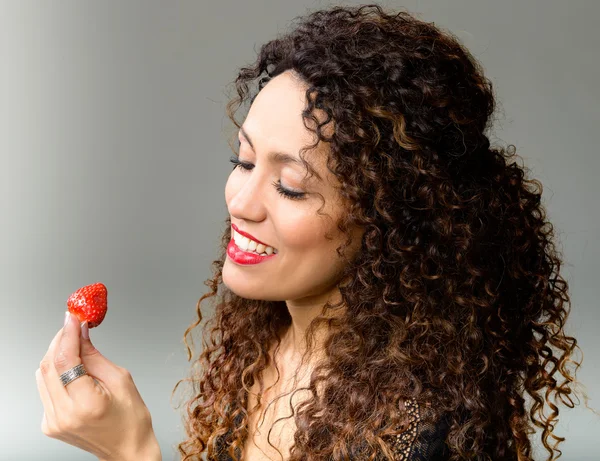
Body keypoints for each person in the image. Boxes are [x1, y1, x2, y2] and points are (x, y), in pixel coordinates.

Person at [36, 4, 586, 461]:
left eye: (292, 187)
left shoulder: (418, 431)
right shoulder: (267, 347)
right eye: (244, 160)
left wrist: (131, 450)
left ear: (390, 221)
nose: (241, 202)